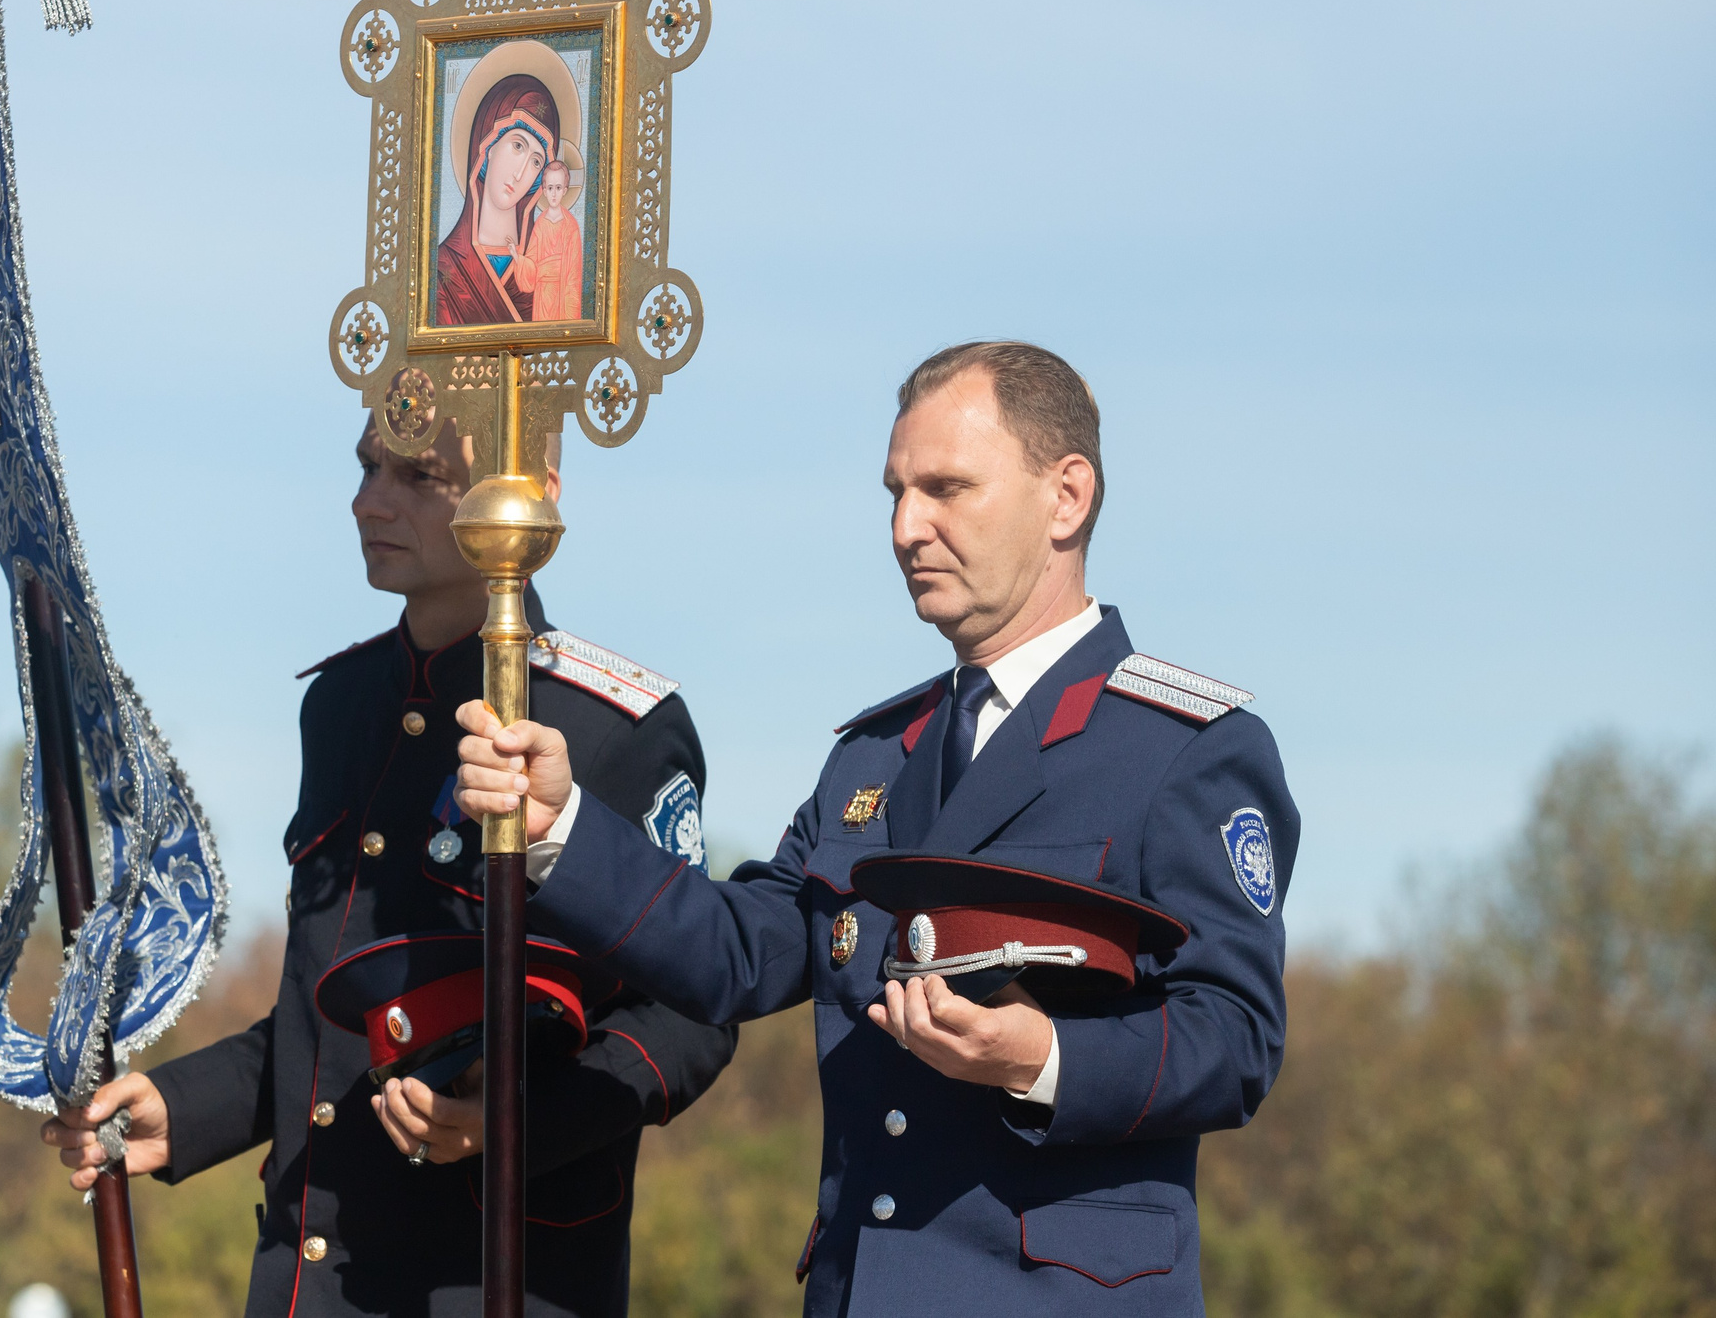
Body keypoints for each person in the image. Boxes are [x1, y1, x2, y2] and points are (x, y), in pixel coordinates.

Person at [455, 341, 1300, 1315]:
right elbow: (738, 953)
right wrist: (561, 823)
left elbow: (1234, 1038)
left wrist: (1040, 1059)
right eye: (896, 492)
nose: (906, 528)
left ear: (1067, 497)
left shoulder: (1183, 749)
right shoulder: (875, 756)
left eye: (947, 488)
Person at [42, 416, 735, 1318]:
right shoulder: (339, 704)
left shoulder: (613, 725)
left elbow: (692, 1012)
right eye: (368, 466)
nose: (368, 502)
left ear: (530, 496)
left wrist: (515, 1123)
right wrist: (186, 1105)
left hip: (492, 1282)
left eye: (416, 475)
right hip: (310, 1284)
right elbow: (334, 1015)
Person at [433, 39, 586, 329]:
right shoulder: (442, 271)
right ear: (487, 146)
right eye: (517, 146)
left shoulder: (543, 267)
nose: (521, 173)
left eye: (536, 162)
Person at [513, 162, 585, 323]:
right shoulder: (540, 224)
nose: (554, 193)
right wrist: (518, 259)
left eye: (558, 188)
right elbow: (531, 264)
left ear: (565, 190)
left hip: (562, 294)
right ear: (544, 191)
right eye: (550, 188)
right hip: (542, 295)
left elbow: (574, 273)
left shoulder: (571, 225)